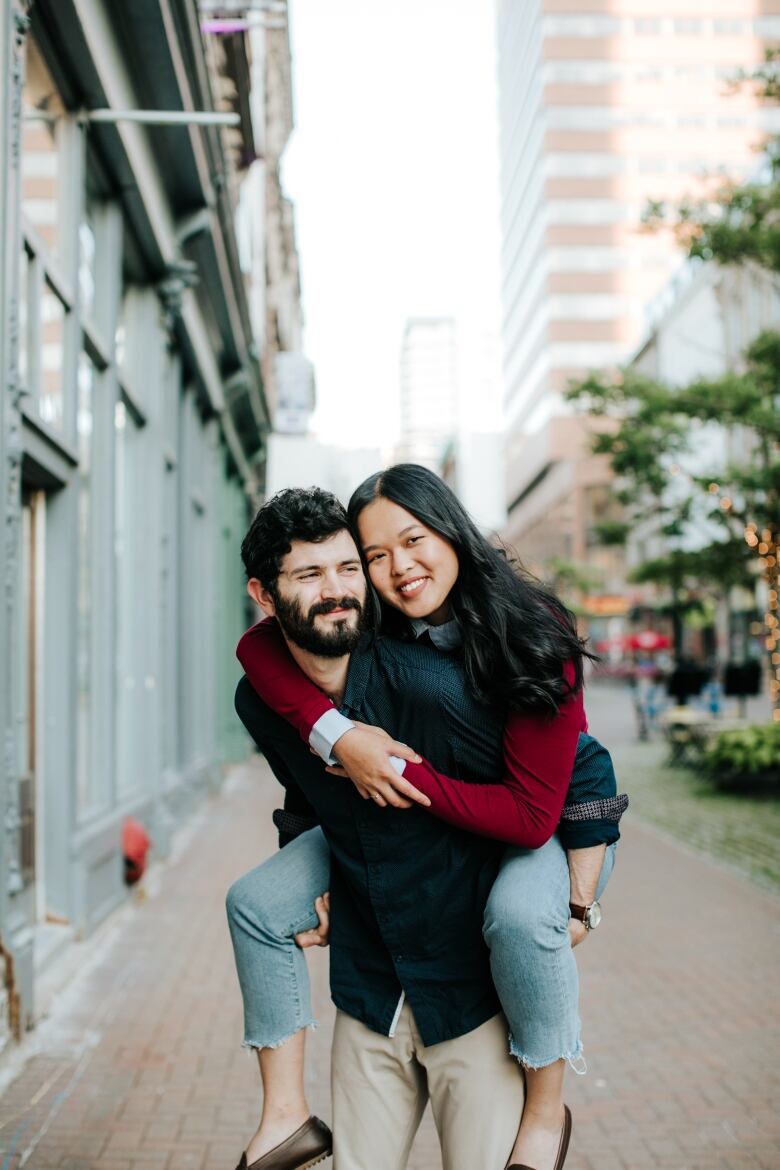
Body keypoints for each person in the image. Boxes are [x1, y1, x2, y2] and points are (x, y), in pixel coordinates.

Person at [228, 474, 626, 1170]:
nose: (396, 568)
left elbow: (563, 790)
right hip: (397, 849)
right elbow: (262, 653)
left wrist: (582, 897)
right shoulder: (367, 618)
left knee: (522, 920)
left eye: (412, 541)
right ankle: (284, 1117)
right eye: (373, 555)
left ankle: (543, 1112)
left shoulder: (529, 629)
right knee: (255, 905)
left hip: (556, 816)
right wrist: (339, 737)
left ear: (451, 533)